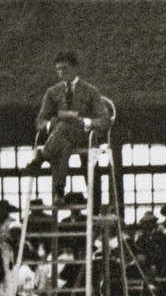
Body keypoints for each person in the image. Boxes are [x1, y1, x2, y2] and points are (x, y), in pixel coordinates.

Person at [23, 49, 111, 202]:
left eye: (65, 69)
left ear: (75, 68)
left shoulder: (90, 91)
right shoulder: (52, 92)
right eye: (58, 69)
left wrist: (85, 122)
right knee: (63, 139)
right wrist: (51, 125)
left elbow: (105, 120)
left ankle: (41, 159)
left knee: (62, 129)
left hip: (84, 136)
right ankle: (59, 192)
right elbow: (40, 121)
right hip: (61, 136)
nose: (61, 73)